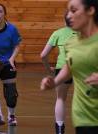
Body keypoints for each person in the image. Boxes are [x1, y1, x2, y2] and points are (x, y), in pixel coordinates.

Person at [40, 0, 98, 134]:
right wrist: (54, 82)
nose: (68, 16)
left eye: (73, 10)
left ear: (90, 11)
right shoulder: (72, 42)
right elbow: (69, 67)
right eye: (68, 12)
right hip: (83, 117)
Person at [40, 13, 77, 134]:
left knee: (60, 98)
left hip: (62, 68)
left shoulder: (57, 33)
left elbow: (43, 55)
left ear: (64, 20)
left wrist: (48, 69)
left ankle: (60, 129)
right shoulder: (86, 31)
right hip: (82, 68)